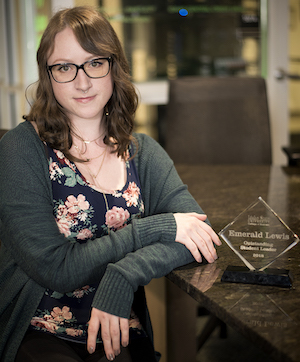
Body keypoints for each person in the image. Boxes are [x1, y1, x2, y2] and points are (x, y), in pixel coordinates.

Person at [0, 6, 221, 362]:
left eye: (94, 63)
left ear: (113, 67)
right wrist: (156, 228)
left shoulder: (143, 153)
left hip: (118, 324)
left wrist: (125, 275)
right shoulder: (20, 149)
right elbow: (55, 269)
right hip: (38, 329)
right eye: (65, 67)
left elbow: (199, 233)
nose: (82, 82)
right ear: (48, 75)